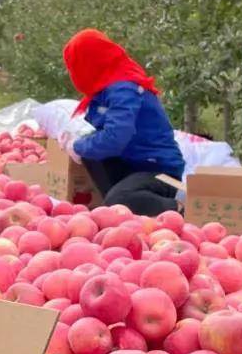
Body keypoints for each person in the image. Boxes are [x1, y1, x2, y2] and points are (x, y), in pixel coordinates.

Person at [59, 29, 185, 216]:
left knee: (119, 200)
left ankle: (178, 209)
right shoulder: (107, 87)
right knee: (91, 152)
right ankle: (121, 207)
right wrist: (79, 138)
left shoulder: (124, 88)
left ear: (88, 63)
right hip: (134, 164)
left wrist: (77, 146)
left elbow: (115, 137)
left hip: (159, 170)